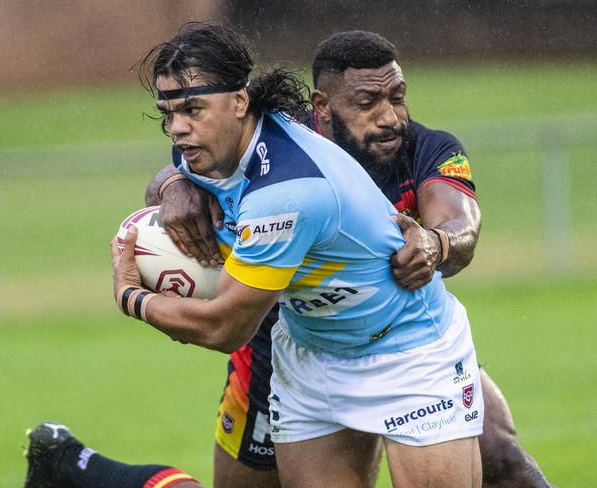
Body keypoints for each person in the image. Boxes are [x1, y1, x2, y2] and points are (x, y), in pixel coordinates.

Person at [115, 22, 484, 488]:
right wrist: (171, 184)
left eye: (192, 109)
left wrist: (132, 296)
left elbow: (225, 327)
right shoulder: (211, 146)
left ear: (240, 101)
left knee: (502, 457)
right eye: (169, 114)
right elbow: (170, 177)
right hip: (310, 351)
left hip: (408, 351)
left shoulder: (286, 191)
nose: (179, 128)